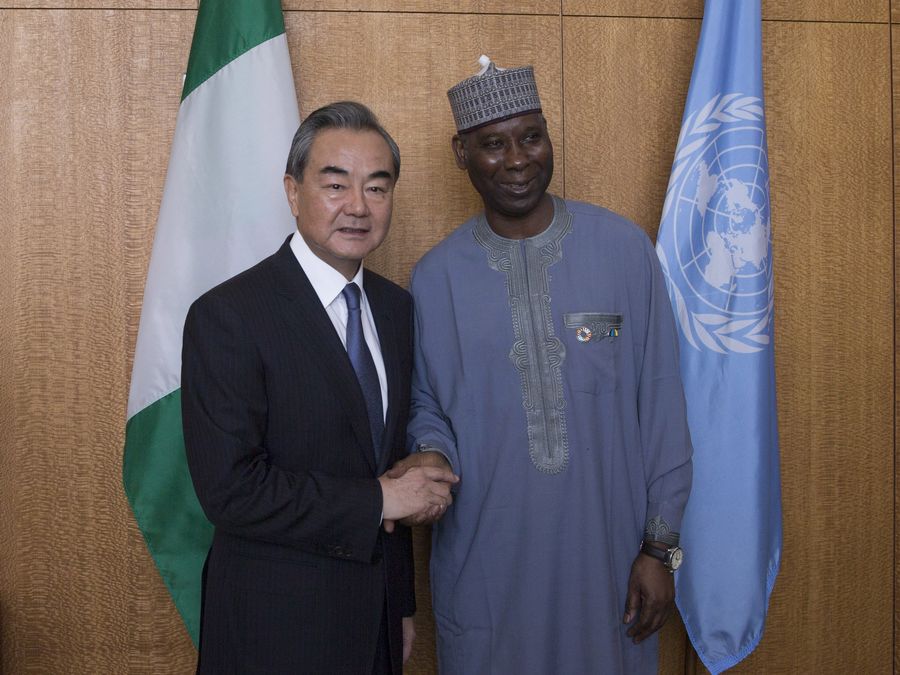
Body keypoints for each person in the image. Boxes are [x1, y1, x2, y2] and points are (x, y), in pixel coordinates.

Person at [395, 57, 693, 674]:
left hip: (609, 560)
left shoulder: (623, 250)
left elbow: (662, 402)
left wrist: (661, 549)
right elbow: (426, 405)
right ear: (461, 154)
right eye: (492, 144)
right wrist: (431, 451)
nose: (517, 160)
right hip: (488, 565)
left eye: (531, 137)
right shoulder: (435, 279)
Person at [181, 101, 458, 675]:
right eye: (336, 185)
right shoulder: (228, 315)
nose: (358, 206)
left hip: (376, 624)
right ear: (292, 191)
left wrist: (400, 605)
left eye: (377, 188)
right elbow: (230, 490)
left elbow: (384, 462)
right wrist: (378, 500)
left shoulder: (397, 309)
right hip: (272, 631)